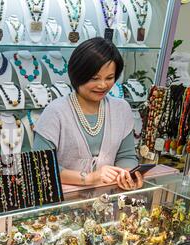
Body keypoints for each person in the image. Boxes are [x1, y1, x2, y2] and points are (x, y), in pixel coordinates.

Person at [34, 37, 143, 190]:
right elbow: (40, 168)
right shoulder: (55, 112)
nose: (103, 85)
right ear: (78, 75)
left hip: (107, 198)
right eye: (94, 78)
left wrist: (127, 175)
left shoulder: (121, 109)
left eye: (110, 78)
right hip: (65, 202)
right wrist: (90, 178)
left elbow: (126, 156)